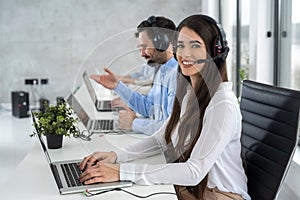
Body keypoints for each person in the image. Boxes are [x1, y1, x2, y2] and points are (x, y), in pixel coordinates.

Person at [80, 14, 250, 200]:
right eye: (181, 46)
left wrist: (122, 172)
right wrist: (116, 156)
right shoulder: (190, 94)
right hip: (192, 189)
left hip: (220, 194)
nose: (185, 54)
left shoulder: (222, 104)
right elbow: (162, 138)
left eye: (195, 45)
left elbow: (194, 171)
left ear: (214, 52)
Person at [91, 16, 178, 135]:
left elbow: (171, 128)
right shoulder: (162, 69)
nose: (142, 53)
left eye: (145, 47)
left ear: (162, 43)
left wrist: (133, 124)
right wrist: (118, 86)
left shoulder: (176, 75)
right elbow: (149, 107)